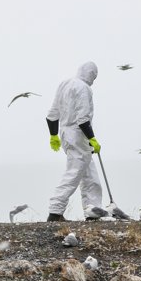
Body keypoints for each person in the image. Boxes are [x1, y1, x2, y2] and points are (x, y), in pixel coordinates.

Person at [44, 61, 103, 222]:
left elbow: (52, 114)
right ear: (91, 73)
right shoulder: (84, 88)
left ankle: (93, 210)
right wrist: (92, 138)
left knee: (90, 175)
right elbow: (83, 119)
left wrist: (53, 135)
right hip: (78, 135)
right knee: (74, 173)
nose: (93, 80)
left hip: (66, 133)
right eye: (94, 76)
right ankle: (55, 211)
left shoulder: (65, 84)